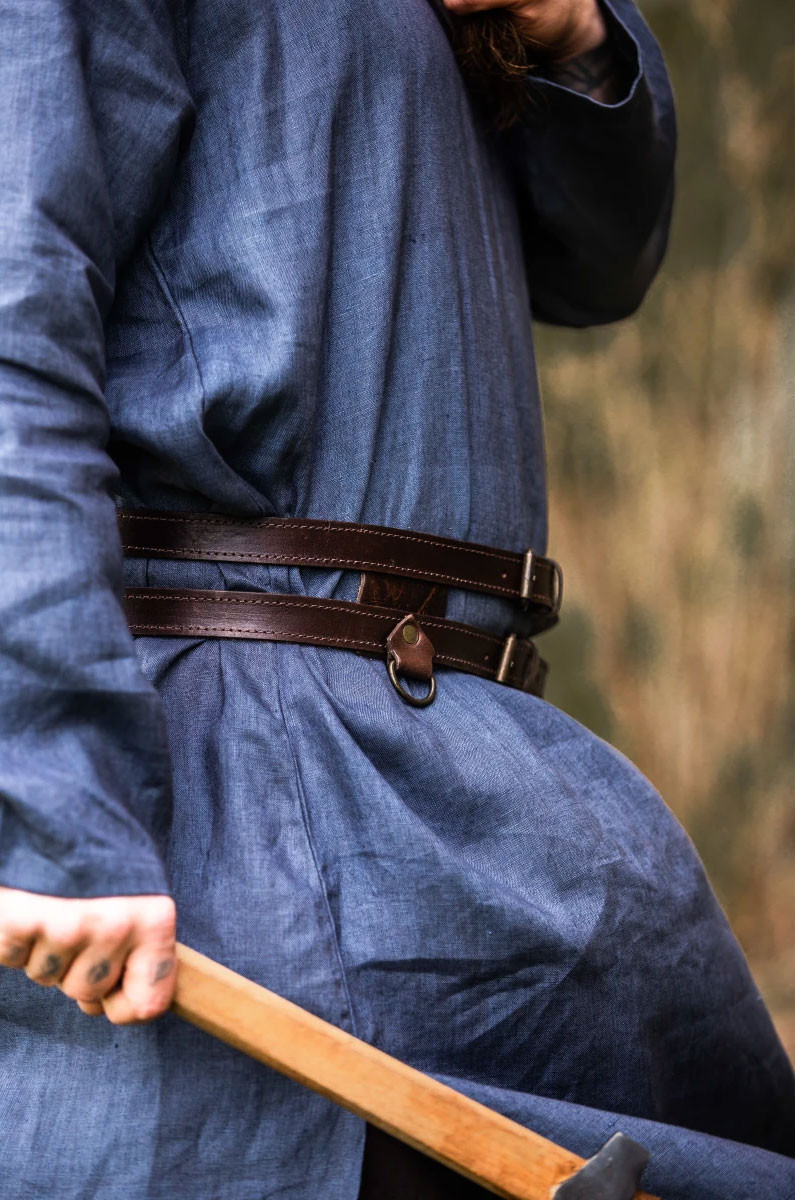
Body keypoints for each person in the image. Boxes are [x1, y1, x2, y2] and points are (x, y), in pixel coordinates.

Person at [0, 1, 793, 1197]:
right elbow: (15, 323)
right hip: (236, 832)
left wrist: (574, 35)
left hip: (481, 802)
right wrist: (56, 795)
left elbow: (604, 255)